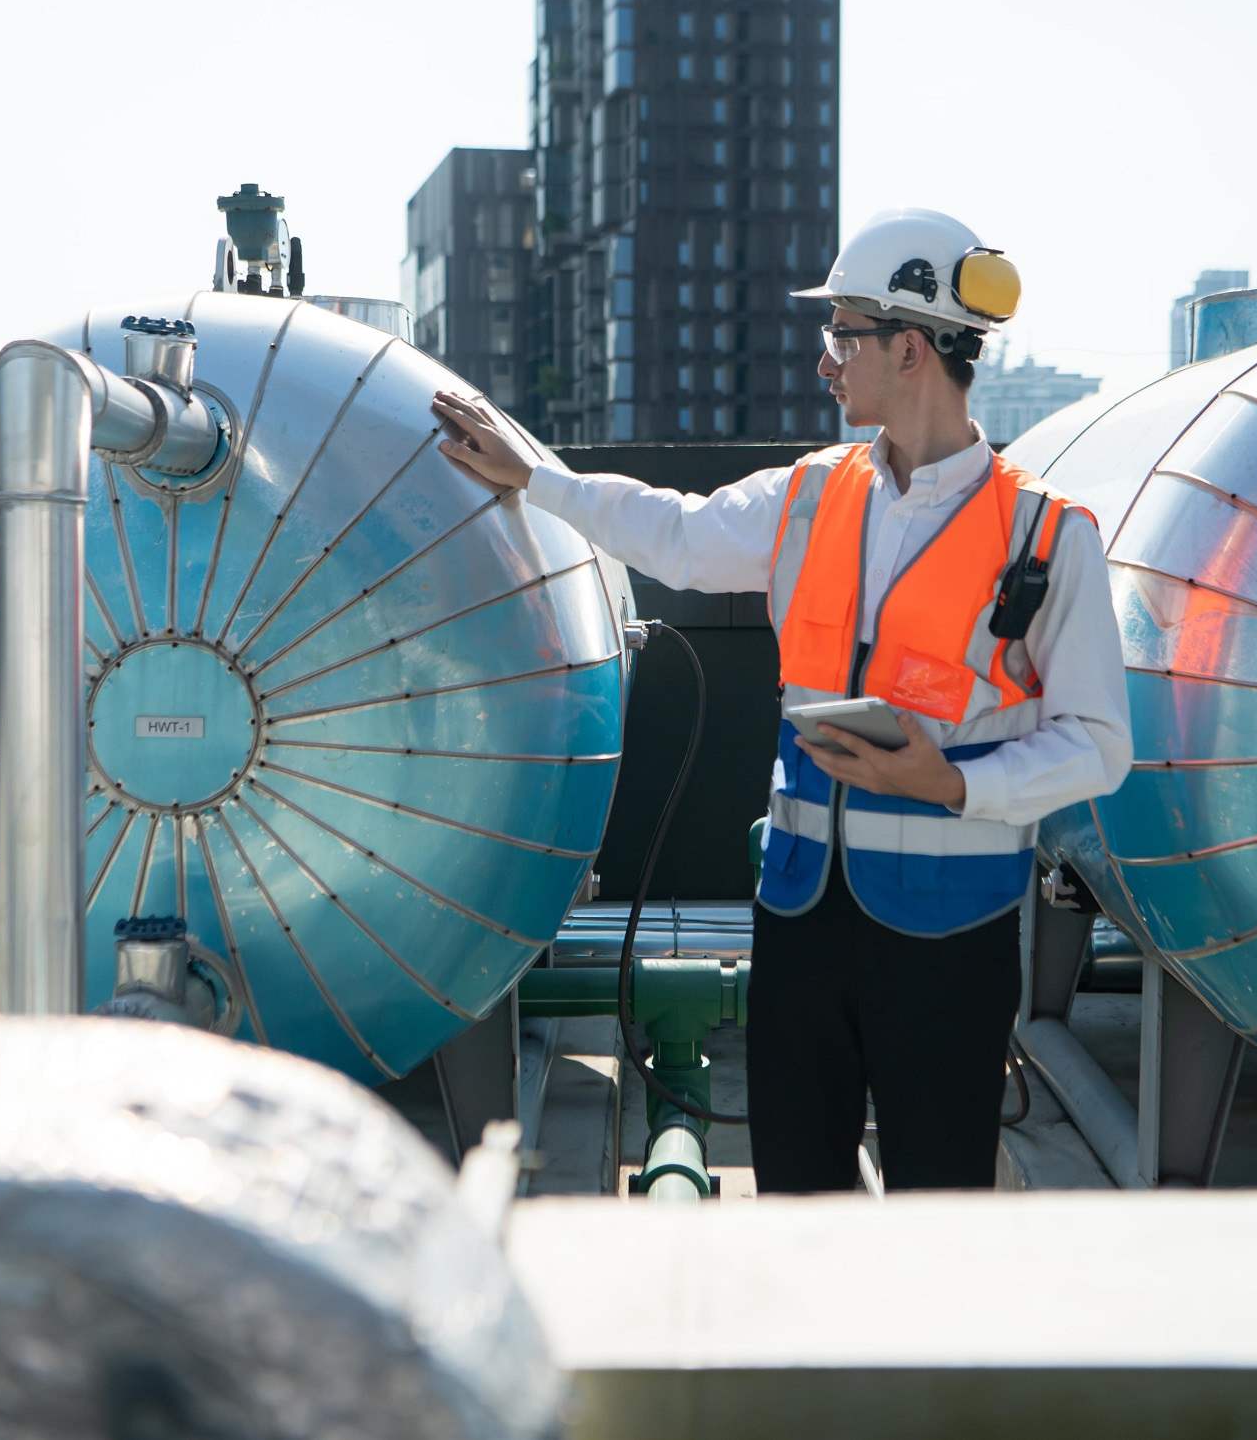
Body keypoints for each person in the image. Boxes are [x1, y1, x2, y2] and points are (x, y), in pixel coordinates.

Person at [429, 208, 1131, 1192]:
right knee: (798, 1183)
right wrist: (539, 480)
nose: (824, 358)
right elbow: (672, 534)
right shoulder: (809, 494)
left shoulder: (1048, 536)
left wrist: (956, 782)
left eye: (844, 332)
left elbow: (1098, 745)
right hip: (799, 917)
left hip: (949, 940)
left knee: (942, 1196)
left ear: (912, 348)